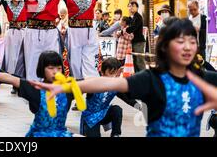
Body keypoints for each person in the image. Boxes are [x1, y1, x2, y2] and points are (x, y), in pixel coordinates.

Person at [31, 18, 217, 137]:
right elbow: (108, 83)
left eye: (192, 42)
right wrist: (67, 87)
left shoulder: (203, 78)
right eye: (180, 41)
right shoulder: (152, 79)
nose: (187, 47)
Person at [47, 0, 124, 79]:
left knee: (90, 64)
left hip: (90, 32)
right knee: (75, 63)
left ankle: (92, 87)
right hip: (75, 32)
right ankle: (77, 87)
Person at [0, 51, 76, 137]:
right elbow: (11, 79)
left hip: (61, 133)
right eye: (51, 68)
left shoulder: (67, 89)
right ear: (42, 69)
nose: (55, 72)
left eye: (59, 68)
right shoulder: (36, 89)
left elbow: (87, 83)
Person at [80, 57, 140, 137]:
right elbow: (80, 89)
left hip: (104, 113)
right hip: (91, 118)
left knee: (117, 110)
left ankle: (116, 134)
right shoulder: (95, 83)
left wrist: (140, 107)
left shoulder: (115, 86)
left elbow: (128, 99)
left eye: (116, 74)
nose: (113, 77)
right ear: (102, 72)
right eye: (111, 73)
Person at [126, 1, 146, 72]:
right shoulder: (132, 17)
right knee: (135, 61)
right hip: (134, 42)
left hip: (139, 42)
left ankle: (144, 76)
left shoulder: (138, 17)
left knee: (139, 61)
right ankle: (138, 76)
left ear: (137, 8)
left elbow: (133, 28)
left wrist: (125, 30)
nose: (131, 7)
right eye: (130, 6)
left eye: (133, 6)